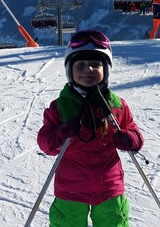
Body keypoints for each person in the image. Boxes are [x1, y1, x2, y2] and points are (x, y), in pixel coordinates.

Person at [37, 29, 144, 226]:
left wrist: (131, 139)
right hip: (71, 188)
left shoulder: (116, 105)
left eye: (96, 64)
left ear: (105, 70)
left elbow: (134, 131)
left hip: (109, 187)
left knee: (114, 222)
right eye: (81, 65)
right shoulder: (60, 107)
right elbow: (46, 143)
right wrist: (61, 133)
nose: (89, 70)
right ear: (70, 70)